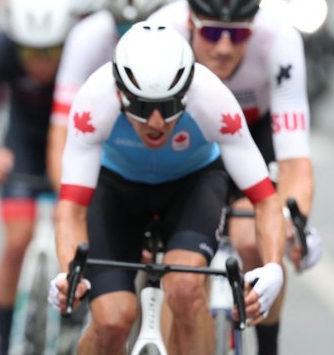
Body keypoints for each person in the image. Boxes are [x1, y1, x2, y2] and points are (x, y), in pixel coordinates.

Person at [48, 22, 286, 354]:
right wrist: (67, 273)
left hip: (192, 183)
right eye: (142, 108)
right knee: (112, 320)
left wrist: (273, 265)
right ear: (120, 94)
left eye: (171, 106)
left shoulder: (213, 97)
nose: (157, 122)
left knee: (186, 290)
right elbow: (71, 209)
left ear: (187, 92)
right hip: (118, 188)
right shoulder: (93, 101)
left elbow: (265, 200)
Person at [148, 0, 322, 353]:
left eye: (238, 34)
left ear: (254, 27)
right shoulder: (161, 31)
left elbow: (294, 156)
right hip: (186, 137)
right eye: (210, 31)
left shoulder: (280, 37)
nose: (223, 46)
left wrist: (295, 221)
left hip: (255, 136)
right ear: (190, 21)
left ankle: (267, 345)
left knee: (253, 239)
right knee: (178, 273)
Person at [0, 0, 75, 355]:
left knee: (81, 243)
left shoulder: (82, 49)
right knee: (16, 241)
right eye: (30, 52)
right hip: (23, 150)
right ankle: (3, 343)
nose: (41, 63)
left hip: (74, 149)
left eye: (51, 51)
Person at [47, 0, 167, 191]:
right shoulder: (86, 36)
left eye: (144, 26)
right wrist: (67, 203)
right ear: (109, 18)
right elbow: (61, 126)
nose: (133, 38)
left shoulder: (177, 33)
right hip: (109, 139)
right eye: (123, 29)